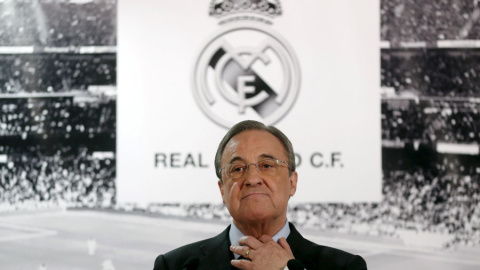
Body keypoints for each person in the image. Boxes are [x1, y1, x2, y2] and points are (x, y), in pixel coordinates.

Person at [153, 120, 367, 270]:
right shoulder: (174, 265)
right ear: (222, 190)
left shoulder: (345, 267)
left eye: (266, 165)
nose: (252, 178)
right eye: (237, 169)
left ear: (292, 183)